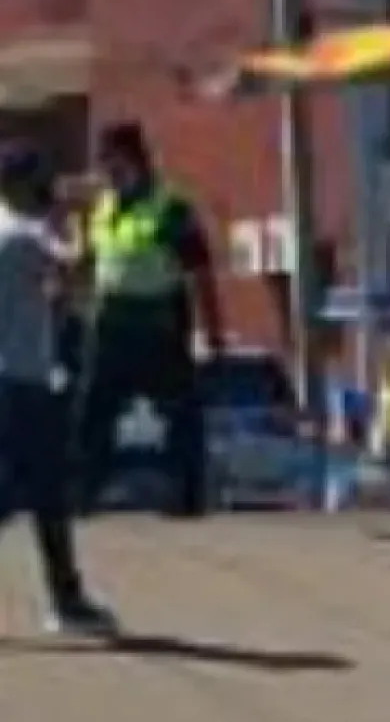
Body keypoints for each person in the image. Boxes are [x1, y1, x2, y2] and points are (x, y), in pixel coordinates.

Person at [74, 123, 223, 518]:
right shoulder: (104, 207)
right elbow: (93, 262)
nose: (105, 170)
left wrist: (211, 331)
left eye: (110, 161)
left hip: (158, 324)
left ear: (132, 158)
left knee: (179, 414)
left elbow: (199, 271)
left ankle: (186, 497)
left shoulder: (169, 206)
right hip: (110, 324)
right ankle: (83, 493)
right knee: (93, 413)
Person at [0, 144, 117, 635]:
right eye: (41, 178)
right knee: (32, 490)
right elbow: (80, 275)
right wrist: (87, 217)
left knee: (35, 493)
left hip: (16, 378)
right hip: (19, 382)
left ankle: (67, 598)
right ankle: (67, 602)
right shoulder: (23, 237)